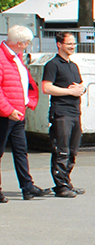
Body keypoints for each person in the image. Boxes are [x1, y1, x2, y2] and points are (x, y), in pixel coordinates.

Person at [0, 26, 51, 202]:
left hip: (17, 112)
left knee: (21, 151)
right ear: (20, 43)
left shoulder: (16, 57)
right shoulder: (3, 58)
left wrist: (27, 101)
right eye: (27, 43)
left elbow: (26, 83)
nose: (28, 46)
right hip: (6, 114)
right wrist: (7, 110)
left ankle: (27, 187)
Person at [40, 31, 86, 198]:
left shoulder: (73, 65)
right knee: (62, 150)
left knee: (73, 150)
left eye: (74, 43)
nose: (72, 46)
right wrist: (68, 91)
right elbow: (46, 87)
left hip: (75, 112)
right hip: (61, 113)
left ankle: (67, 181)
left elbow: (78, 86)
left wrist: (81, 89)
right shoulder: (53, 65)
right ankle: (60, 186)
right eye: (69, 44)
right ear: (59, 44)